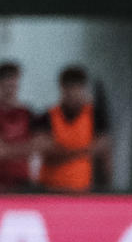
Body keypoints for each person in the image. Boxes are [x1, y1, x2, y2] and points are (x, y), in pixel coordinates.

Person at [37, 65, 109, 193]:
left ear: (83, 89)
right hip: (50, 189)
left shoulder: (95, 116)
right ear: (62, 88)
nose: (72, 94)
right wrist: (85, 151)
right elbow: (46, 151)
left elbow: (103, 151)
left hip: (83, 189)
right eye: (68, 88)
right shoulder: (48, 116)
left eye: (76, 88)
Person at [0, 60, 38, 190]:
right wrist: (27, 148)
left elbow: (43, 145)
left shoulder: (28, 114)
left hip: (22, 182)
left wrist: (8, 149)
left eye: (13, 86)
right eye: (6, 87)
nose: (10, 91)